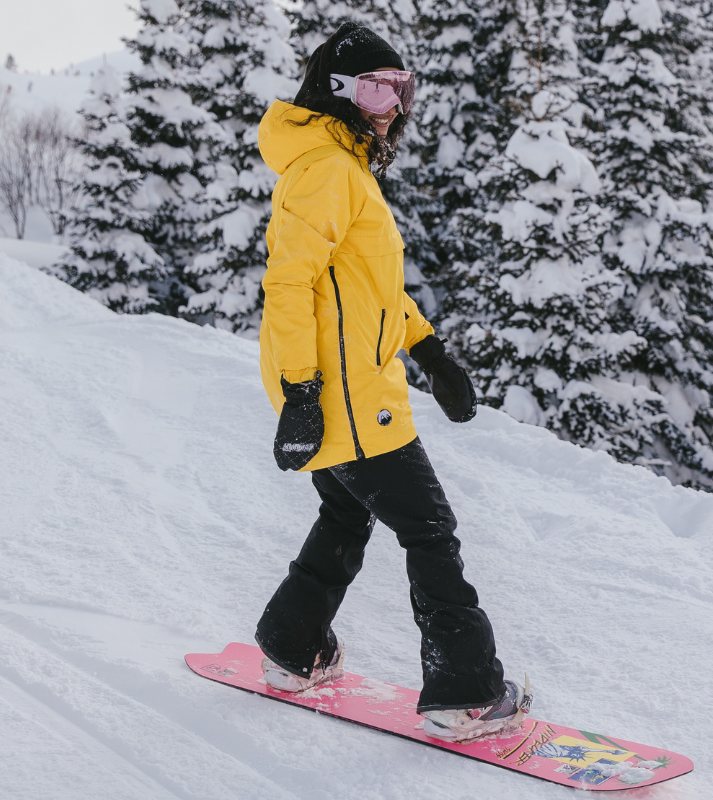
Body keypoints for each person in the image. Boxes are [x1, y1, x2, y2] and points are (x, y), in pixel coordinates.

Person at [252, 21, 529, 743]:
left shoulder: (345, 165)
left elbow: (370, 290)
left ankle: (292, 648)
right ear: (336, 90)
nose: (392, 103)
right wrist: (302, 393)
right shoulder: (329, 170)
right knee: (429, 529)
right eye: (376, 86)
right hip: (346, 398)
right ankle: (464, 694)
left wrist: (431, 354)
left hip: (351, 389)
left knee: (346, 516)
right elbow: (288, 285)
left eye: (400, 87)